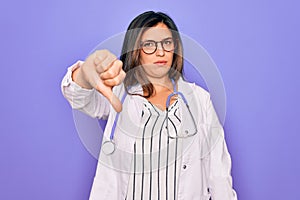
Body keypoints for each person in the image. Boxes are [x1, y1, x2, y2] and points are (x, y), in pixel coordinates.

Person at [61, 11, 237, 200]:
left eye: (167, 43)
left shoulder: (199, 99)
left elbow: (218, 173)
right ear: (135, 50)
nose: (160, 52)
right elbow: (78, 95)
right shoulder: (119, 93)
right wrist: (86, 71)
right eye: (149, 45)